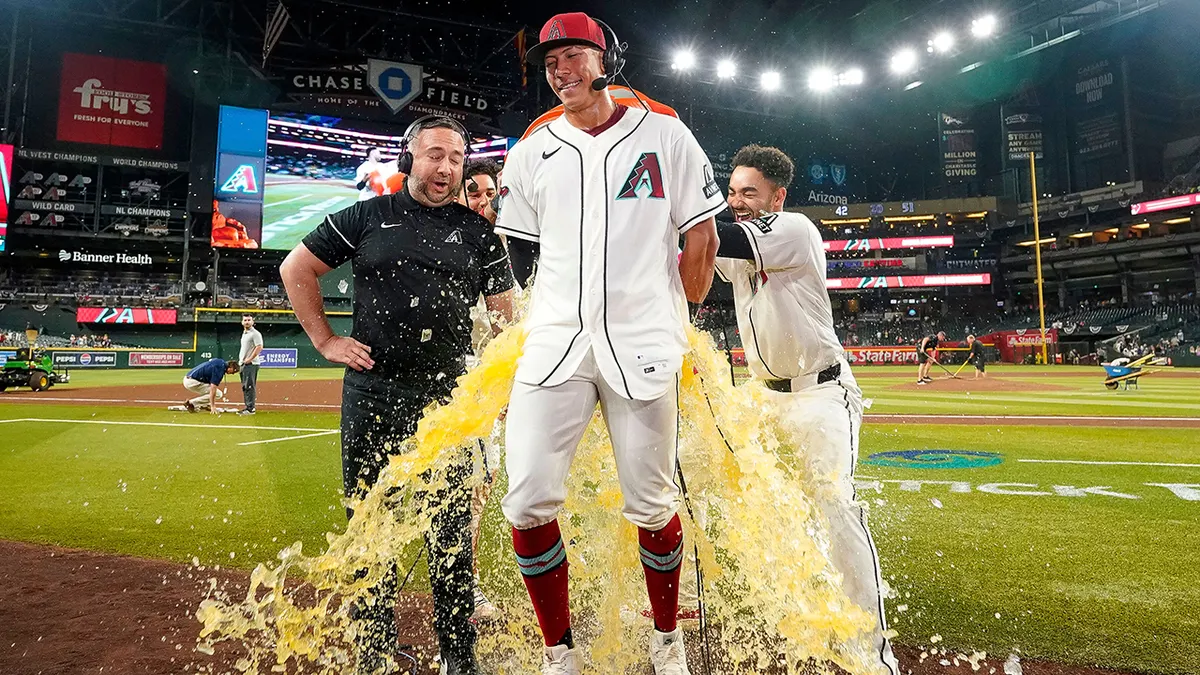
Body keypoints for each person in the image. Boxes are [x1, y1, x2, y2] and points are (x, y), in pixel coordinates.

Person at [496, 12, 723, 674]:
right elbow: (518, 244)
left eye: (571, 57)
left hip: (643, 339)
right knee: (528, 497)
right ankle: (558, 653)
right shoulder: (533, 145)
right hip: (556, 342)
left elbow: (702, 234)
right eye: (549, 64)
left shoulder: (666, 131)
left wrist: (678, 310)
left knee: (652, 504)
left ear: (605, 60)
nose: (559, 71)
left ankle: (666, 640)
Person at [279, 114, 516, 675]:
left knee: (453, 539)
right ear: (409, 157)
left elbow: (509, 326)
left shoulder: (480, 233)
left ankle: (460, 658)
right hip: (373, 394)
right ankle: (373, 654)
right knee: (369, 530)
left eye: (456, 158)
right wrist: (326, 339)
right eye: (435, 155)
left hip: (449, 404)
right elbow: (295, 268)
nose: (447, 167)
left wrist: (501, 386)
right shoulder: (367, 216)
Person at [711, 144, 899, 675]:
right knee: (733, 492)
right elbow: (697, 257)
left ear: (777, 195)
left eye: (749, 191)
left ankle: (871, 654)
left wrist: (682, 199)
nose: (737, 200)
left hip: (820, 394)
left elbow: (714, 236)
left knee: (835, 507)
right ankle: (806, 613)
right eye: (732, 191)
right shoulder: (741, 236)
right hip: (764, 397)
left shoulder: (793, 227)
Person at [238, 314, 264, 414]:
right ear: (242, 322)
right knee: (245, 386)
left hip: (251, 364)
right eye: (245, 320)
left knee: (249, 386)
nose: (247, 322)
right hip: (243, 364)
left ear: (253, 322)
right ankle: (247, 406)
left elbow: (259, 346)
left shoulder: (255, 333)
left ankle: (250, 408)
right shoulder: (245, 333)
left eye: (249, 320)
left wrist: (249, 359)